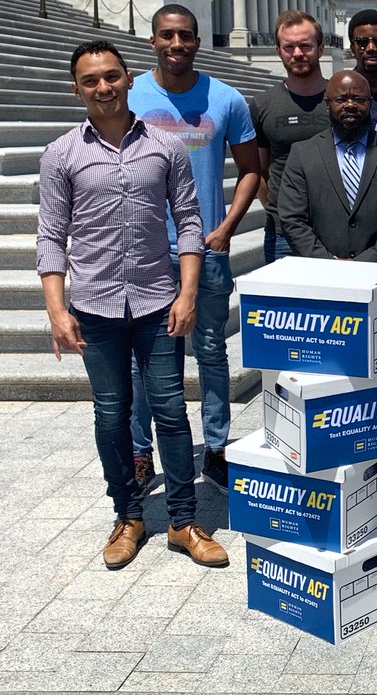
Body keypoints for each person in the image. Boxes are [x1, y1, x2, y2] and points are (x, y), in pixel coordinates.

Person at [37, 41, 228, 570]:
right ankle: (127, 514)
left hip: (155, 301)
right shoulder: (60, 154)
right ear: (77, 88)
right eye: (91, 80)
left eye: (112, 76)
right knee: (111, 414)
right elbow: (51, 236)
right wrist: (57, 310)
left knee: (169, 410)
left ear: (127, 78)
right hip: (95, 305)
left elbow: (189, 222)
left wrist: (187, 292)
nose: (104, 87)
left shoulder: (164, 147)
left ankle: (185, 521)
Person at [126, 4, 260, 495]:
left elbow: (250, 169)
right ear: (153, 41)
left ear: (198, 42)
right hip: (145, 251)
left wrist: (226, 226)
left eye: (185, 36)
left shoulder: (225, 99)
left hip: (206, 248)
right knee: (146, 359)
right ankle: (142, 454)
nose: (176, 44)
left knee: (210, 352)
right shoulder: (131, 95)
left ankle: (218, 450)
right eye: (167, 35)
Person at [277, 69, 377, 263]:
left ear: (370, 102)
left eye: (359, 99)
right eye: (341, 99)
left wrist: (365, 262)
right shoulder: (302, 154)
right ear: (327, 104)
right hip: (320, 272)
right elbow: (292, 218)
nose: (350, 105)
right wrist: (328, 263)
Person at [251, 11, 329, 263]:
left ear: (321, 47)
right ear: (278, 50)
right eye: (289, 47)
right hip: (282, 234)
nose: (297, 53)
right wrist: (277, 209)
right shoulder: (263, 104)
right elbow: (260, 170)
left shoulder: (342, 101)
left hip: (335, 233)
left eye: (305, 45)